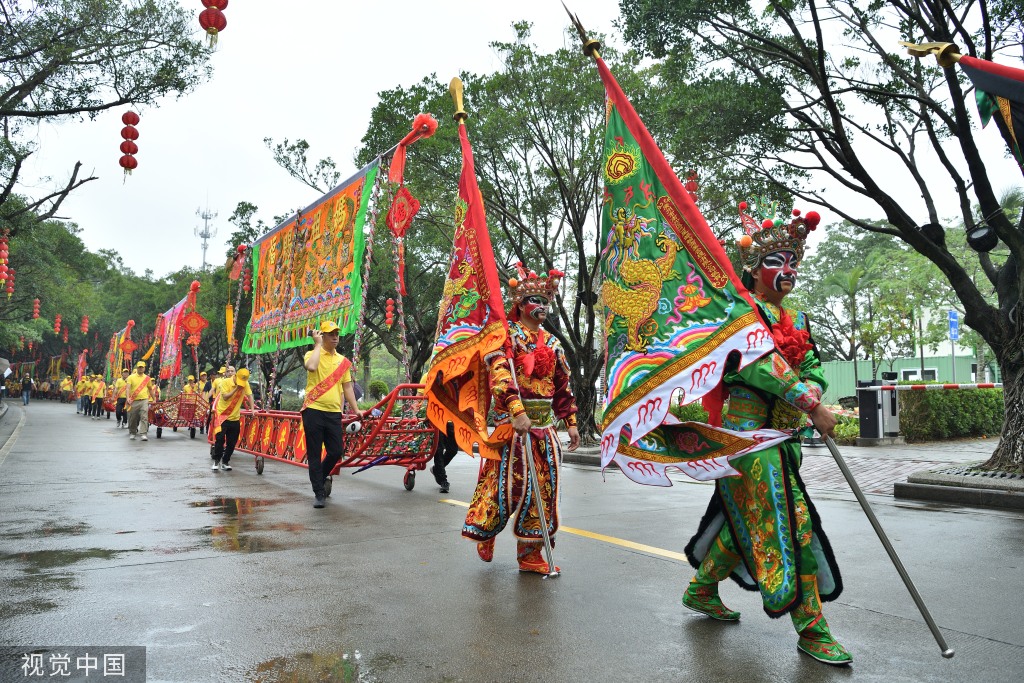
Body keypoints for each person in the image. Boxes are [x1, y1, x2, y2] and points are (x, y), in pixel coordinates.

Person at [681, 202, 849, 665]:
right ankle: (812, 630)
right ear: (753, 269)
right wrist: (810, 403)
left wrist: (812, 390)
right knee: (788, 526)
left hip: (783, 439)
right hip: (745, 439)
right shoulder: (739, 313)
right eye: (777, 261)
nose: (788, 270)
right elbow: (757, 366)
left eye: (794, 262)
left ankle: (701, 589)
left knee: (746, 526)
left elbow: (812, 366)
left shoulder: (797, 320)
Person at [462, 264, 581, 574]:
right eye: (534, 301)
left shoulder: (553, 344)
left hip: (544, 432)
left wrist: (570, 422)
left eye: (545, 301)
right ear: (519, 304)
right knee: (502, 489)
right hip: (513, 429)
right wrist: (516, 410)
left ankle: (530, 554)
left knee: (543, 491)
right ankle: (485, 533)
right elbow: (499, 375)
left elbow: (562, 386)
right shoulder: (505, 336)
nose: (540, 307)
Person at [301, 320, 360, 508]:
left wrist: (356, 409)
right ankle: (319, 493)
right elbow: (311, 367)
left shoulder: (343, 361)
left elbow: (348, 387)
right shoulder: (312, 354)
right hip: (313, 410)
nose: (335, 337)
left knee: (336, 451)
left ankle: (319, 477)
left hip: (334, 412)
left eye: (337, 334)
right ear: (323, 336)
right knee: (314, 454)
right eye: (330, 334)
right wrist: (317, 344)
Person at [208, 366, 254, 471]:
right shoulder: (225, 382)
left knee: (232, 442)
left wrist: (252, 409)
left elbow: (250, 396)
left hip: (235, 418)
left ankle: (225, 461)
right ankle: (216, 461)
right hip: (222, 416)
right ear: (235, 375)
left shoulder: (245, 383)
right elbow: (225, 397)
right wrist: (236, 389)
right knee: (219, 440)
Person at [125, 361, 154, 441]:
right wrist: (128, 398)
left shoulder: (147, 378)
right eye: (139, 367)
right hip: (134, 400)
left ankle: (143, 434)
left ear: (144, 368)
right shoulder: (131, 377)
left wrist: (154, 398)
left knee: (144, 417)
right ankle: (133, 432)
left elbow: (150, 389)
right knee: (133, 418)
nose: (140, 368)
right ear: (137, 368)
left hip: (144, 400)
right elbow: (128, 388)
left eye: (142, 367)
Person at [429, 421, 459, 494]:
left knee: (453, 450)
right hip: (436, 422)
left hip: (449, 420)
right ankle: (443, 481)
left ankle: (436, 469)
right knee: (439, 450)